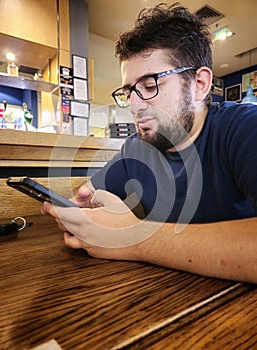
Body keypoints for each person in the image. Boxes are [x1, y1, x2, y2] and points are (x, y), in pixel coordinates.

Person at [42, 3, 257, 283]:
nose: (134, 106)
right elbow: (87, 197)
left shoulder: (244, 128)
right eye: (129, 91)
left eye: (150, 85)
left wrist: (133, 238)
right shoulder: (136, 148)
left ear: (199, 84)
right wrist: (79, 216)